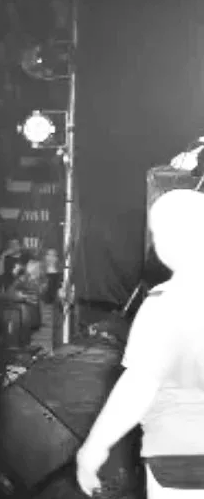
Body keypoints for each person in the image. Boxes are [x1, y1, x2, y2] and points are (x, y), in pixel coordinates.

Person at [77, 189, 204, 499]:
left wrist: (95, 447)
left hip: (182, 455)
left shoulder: (166, 303)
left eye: (159, 234)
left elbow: (138, 387)